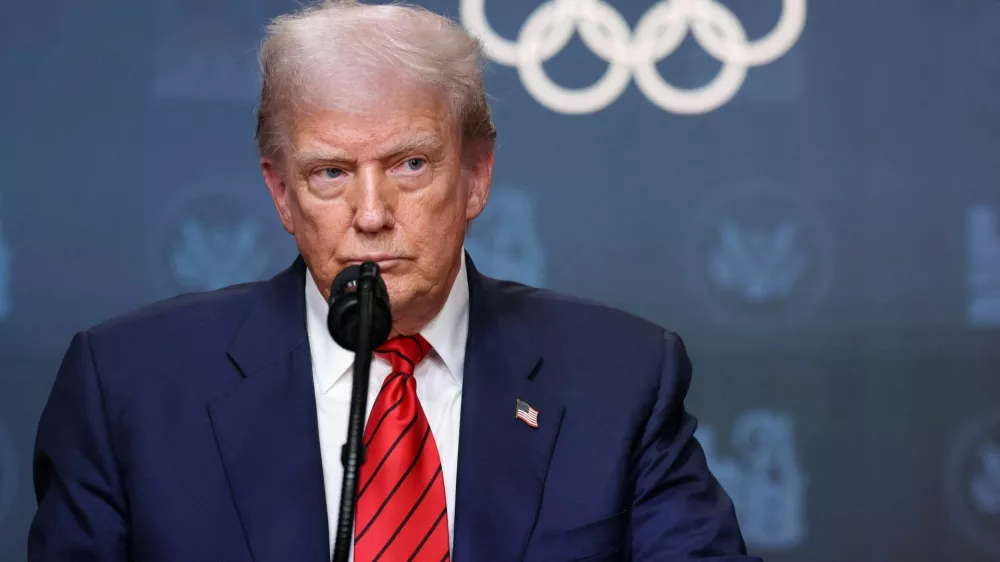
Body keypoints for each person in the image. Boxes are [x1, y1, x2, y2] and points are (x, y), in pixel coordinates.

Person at [28, 1, 758, 561]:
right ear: (281, 193)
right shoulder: (128, 387)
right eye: (330, 173)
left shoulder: (619, 376)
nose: (371, 214)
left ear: (476, 175)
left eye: (410, 165)